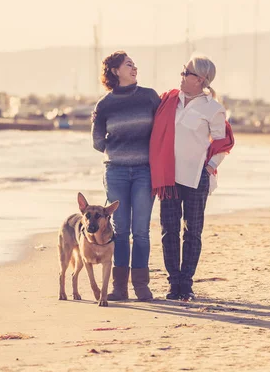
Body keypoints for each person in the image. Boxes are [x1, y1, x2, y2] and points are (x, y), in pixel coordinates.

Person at [149, 54, 235, 301]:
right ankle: (173, 283)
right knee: (169, 230)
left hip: (197, 176)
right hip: (169, 176)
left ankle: (186, 284)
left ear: (199, 79)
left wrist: (210, 166)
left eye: (185, 72)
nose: (181, 75)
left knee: (193, 231)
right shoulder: (169, 101)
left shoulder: (213, 108)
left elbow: (223, 143)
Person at [91, 51, 161, 301]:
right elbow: (97, 141)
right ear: (114, 71)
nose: (134, 68)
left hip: (144, 171)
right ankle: (119, 288)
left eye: (134, 64)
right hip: (116, 171)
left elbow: (162, 131)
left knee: (141, 230)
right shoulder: (105, 104)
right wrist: (121, 147)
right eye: (128, 64)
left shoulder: (150, 97)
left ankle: (141, 285)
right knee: (120, 230)